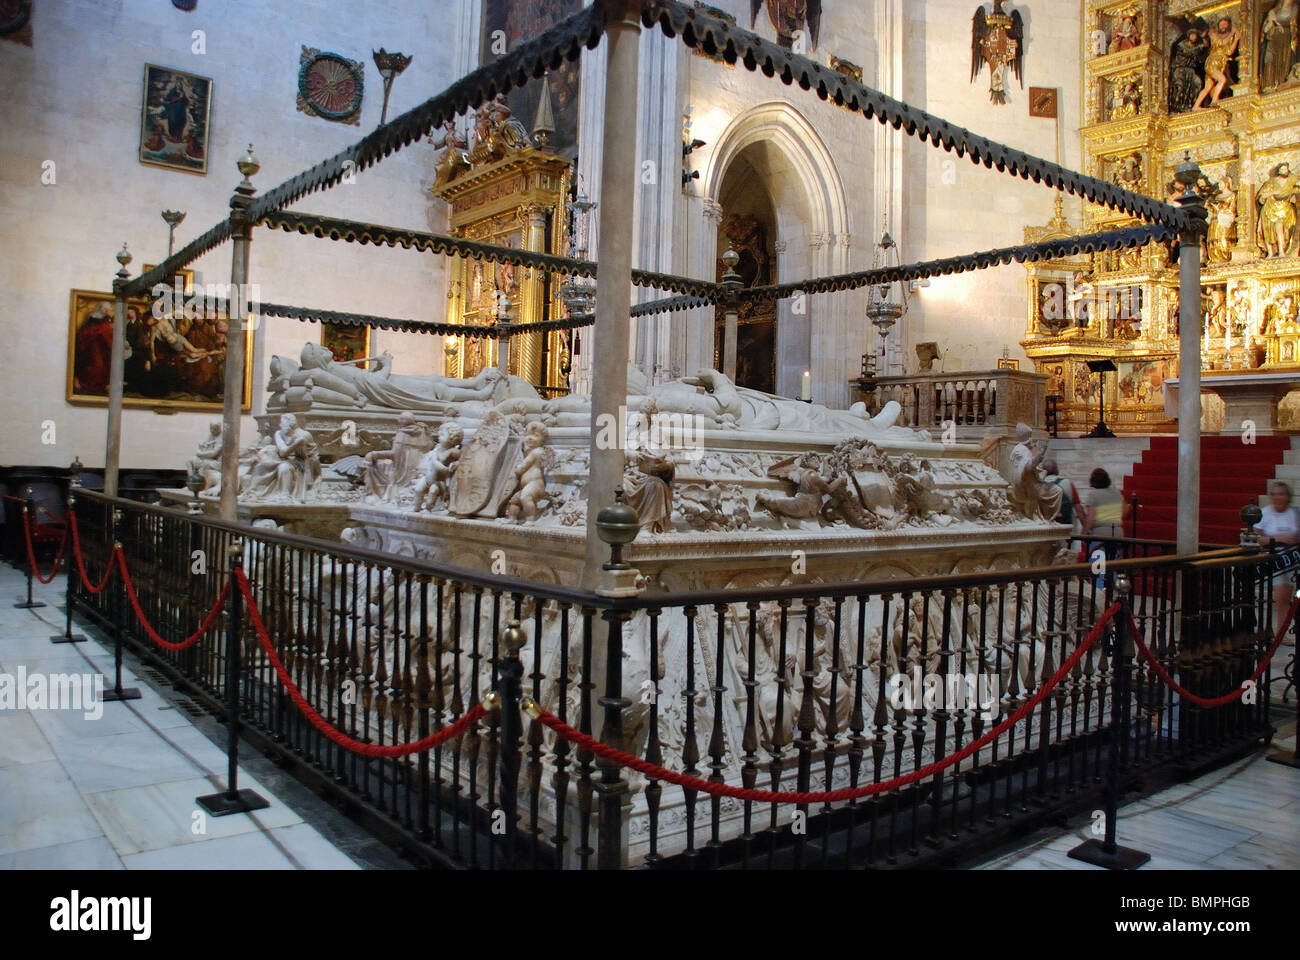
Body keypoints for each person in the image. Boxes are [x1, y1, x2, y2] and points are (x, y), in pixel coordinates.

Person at [1254, 481, 1300, 643]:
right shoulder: (1264, 513)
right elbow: (1257, 538)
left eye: (1281, 494)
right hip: (1275, 560)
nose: (1278, 497)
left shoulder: (1294, 513)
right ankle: (1281, 632)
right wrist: (1280, 539)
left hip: (1293, 558)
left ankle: (1282, 630)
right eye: (1274, 494)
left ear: (1287, 497)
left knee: (1288, 596)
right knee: (1282, 596)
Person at [1080, 468, 1130, 589]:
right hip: (1117, 532)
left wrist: (1084, 534)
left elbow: (1090, 519)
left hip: (1100, 534)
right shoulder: (1116, 493)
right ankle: (1111, 590)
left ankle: (1099, 591)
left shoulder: (1093, 495)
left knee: (1099, 566)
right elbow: (1125, 510)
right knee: (1113, 564)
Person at [1042, 459, 1082, 535]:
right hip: (1066, 528)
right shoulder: (1068, 484)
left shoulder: (1038, 486)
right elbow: (1078, 508)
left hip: (1045, 529)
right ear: (1056, 470)